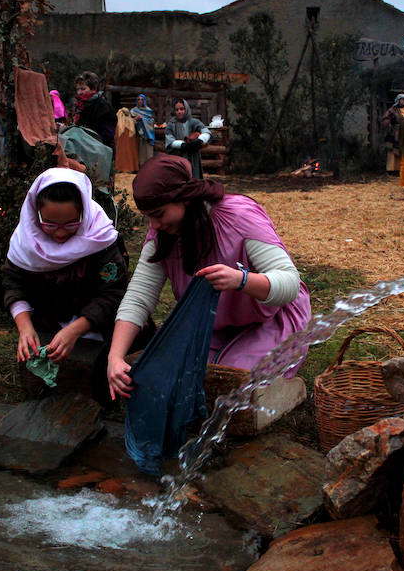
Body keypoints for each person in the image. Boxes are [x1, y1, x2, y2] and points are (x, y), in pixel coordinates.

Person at [107, 154, 312, 402]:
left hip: (272, 318)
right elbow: (139, 298)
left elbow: (289, 284)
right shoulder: (163, 233)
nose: (154, 224)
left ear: (184, 198)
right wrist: (115, 358)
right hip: (214, 324)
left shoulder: (238, 217)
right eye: (148, 216)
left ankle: (286, 388)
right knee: (175, 379)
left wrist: (242, 280)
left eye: (159, 214)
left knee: (232, 385)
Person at [1, 167, 133, 401]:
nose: (60, 234)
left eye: (71, 224)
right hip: (49, 322)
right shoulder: (25, 241)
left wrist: (75, 329)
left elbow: (114, 293)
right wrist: (25, 327)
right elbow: (12, 283)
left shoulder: (100, 238)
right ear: (35, 213)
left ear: (84, 212)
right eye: (50, 224)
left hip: (103, 327)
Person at [164, 99, 210, 179]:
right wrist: (183, 145)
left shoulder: (194, 122)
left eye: (182, 109)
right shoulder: (171, 124)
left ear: (186, 109)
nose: (179, 111)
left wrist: (200, 140)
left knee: (193, 178)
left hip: (192, 157)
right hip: (177, 156)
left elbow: (206, 132)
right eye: (177, 110)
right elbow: (169, 140)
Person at [73, 71, 116, 148]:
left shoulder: (102, 106)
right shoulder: (81, 105)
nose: (79, 92)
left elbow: (108, 133)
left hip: (99, 148)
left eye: (83, 89)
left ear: (93, 89)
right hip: (84, 146)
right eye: (78, 89)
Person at [381, 93, 404, 174]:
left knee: (402, 151)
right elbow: (385, 119)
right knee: (392, 151)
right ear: (398, 100)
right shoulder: (392, 109)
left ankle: (400, 169)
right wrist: (390, 121)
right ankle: (391, 169)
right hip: (395, 132)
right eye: (402, 99)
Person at [130, 94, 156, 166]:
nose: (140, 101)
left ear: (144, 101)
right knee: (139, 150)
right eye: (139, 99)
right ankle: (139, 166)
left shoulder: (148, 111)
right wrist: (136, 119)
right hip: (137, 134)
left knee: (147, 150)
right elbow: (129, 121)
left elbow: (152, 121)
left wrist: (143, 119)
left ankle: (149, 166)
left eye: (142, 99)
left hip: (147, 134)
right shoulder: (133, 111)